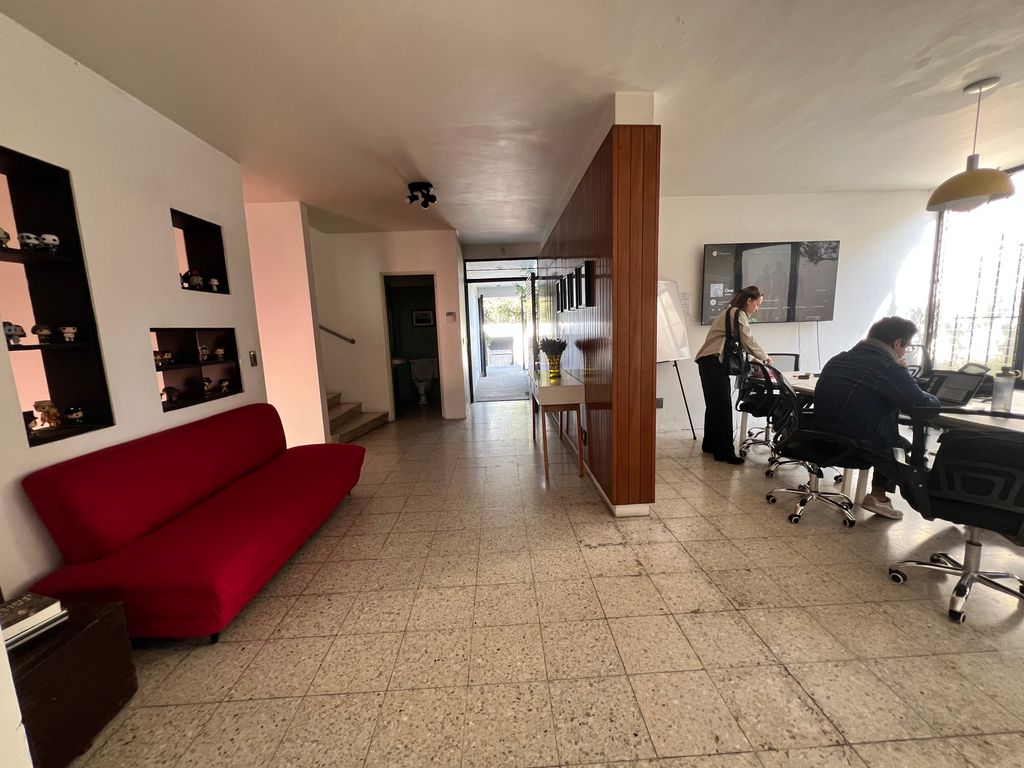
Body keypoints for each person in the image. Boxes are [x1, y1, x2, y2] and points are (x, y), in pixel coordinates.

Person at [813, 316, 940, 519]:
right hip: (856, 443)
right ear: (897, 343)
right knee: (899, 448)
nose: (904, 353)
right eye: (905, 348)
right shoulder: (887, 368)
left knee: (894, 439)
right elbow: (922, 405)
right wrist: (913, 381)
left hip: (818, 435)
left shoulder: (839, 359)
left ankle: (879, 495)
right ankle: (886, 497)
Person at [694, 286, 772, 464]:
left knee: (715, 406)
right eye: (757, 304)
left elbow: (737, 345)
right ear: (749, 301)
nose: (757, 309)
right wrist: (764, 356)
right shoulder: (737, 313)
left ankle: (710, 445)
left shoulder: (730, 312)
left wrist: (754, 358)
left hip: (708, 363)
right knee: (722, 407)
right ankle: (724, 452)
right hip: (713, 363)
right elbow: (747, 339)